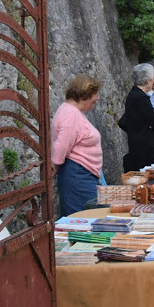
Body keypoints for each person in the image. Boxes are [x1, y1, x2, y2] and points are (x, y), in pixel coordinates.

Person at [51, 75, 103, 217]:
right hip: (78, 176)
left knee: (85, 219)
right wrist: (56, 165)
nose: (97, 97)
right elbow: (61, 146)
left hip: (80, 174)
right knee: (83, 220)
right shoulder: (70, 114)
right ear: (84, 94)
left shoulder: (72, 112)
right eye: (95, 93)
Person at [120, 62, 154, 172]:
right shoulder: (140, 98)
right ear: (147, 81)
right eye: (152, 79)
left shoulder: (134, 95)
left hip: (142, 148)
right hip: (146, 151)